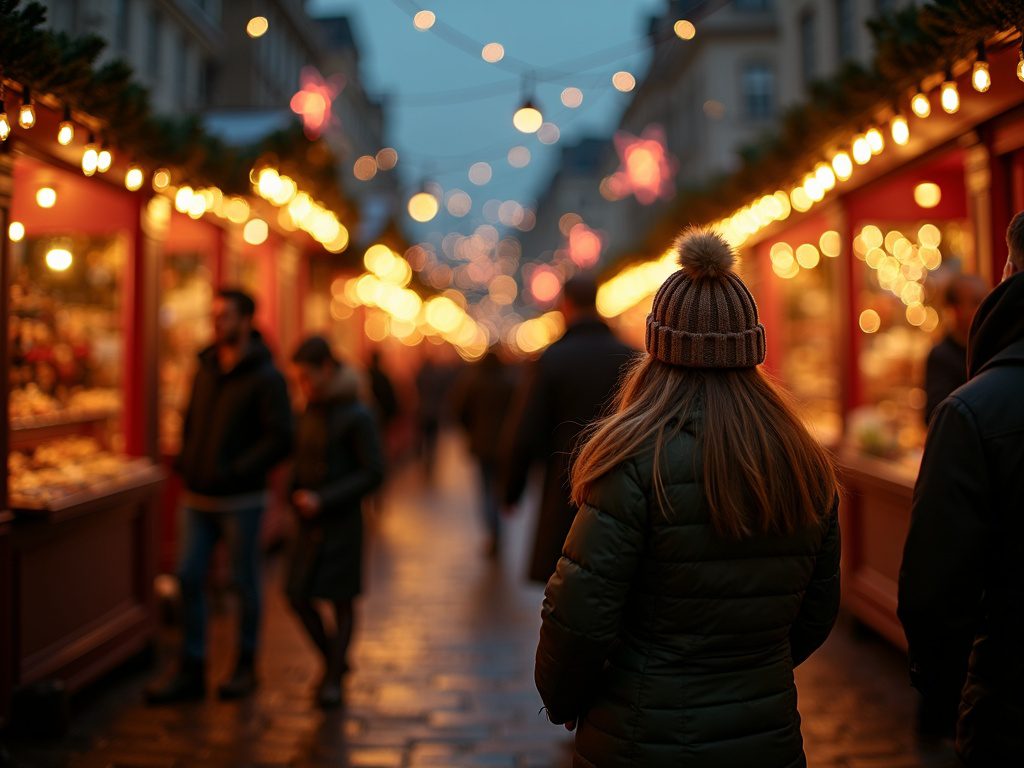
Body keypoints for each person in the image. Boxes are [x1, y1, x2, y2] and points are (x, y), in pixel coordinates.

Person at [534, 230, 840, 767]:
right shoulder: (803, 460)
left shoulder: (629, 458)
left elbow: (579, 613)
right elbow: (817, 610)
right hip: (764, 735)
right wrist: (752, 674)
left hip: (641, 734)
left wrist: (563, 697)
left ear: (659, 349)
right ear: (751, 346)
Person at [898, 211, 1024, 765]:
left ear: (1008, 270)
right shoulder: (964, 396)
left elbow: (934, 584)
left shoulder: (974, 409)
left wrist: (945, 691)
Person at [147, 289, 293, 704]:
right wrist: (188, 461)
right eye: (213, 316)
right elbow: (190, 418)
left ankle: (245, 666)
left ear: (246, 320)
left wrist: (237, 470)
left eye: (224, 316)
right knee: (189, 578)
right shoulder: (205, 367)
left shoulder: (267, 376)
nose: (217, 324)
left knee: (244, 583)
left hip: (241, 500)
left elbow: (282, 438)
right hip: (196, 496)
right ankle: (192, 667)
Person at [502, 275, 633, 584]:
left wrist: (512, 490)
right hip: (622, 482)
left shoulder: (553, 359)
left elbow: (527, 430)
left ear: (567, 305)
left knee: (567, 577)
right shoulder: (628, 357)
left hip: (565, 485)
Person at [287, 336, 384, 708]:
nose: (303, 386)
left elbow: (373, 472)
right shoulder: (308, 409)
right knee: (296, 595)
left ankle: (331, 679)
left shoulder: (356, 414)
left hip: (341, 521)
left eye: (307, 377)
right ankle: (334, 661)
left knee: (341, 600)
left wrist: (323, 498)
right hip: (306, 521)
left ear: (327, 370)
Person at [453, 350, 518, 557]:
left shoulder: (473, 382)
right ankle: (500, 530)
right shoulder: (510, 383)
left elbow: (459, 411)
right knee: (499, 488)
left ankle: (493, 532)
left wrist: (471, 431)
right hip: (505, 446)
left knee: (486, 489)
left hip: (482, 445)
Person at [923, 273, 988, 423]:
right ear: (955, 310)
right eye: (977, 302)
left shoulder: (993, 349)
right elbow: (935, 416)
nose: (985, 308)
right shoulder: (941, 356)